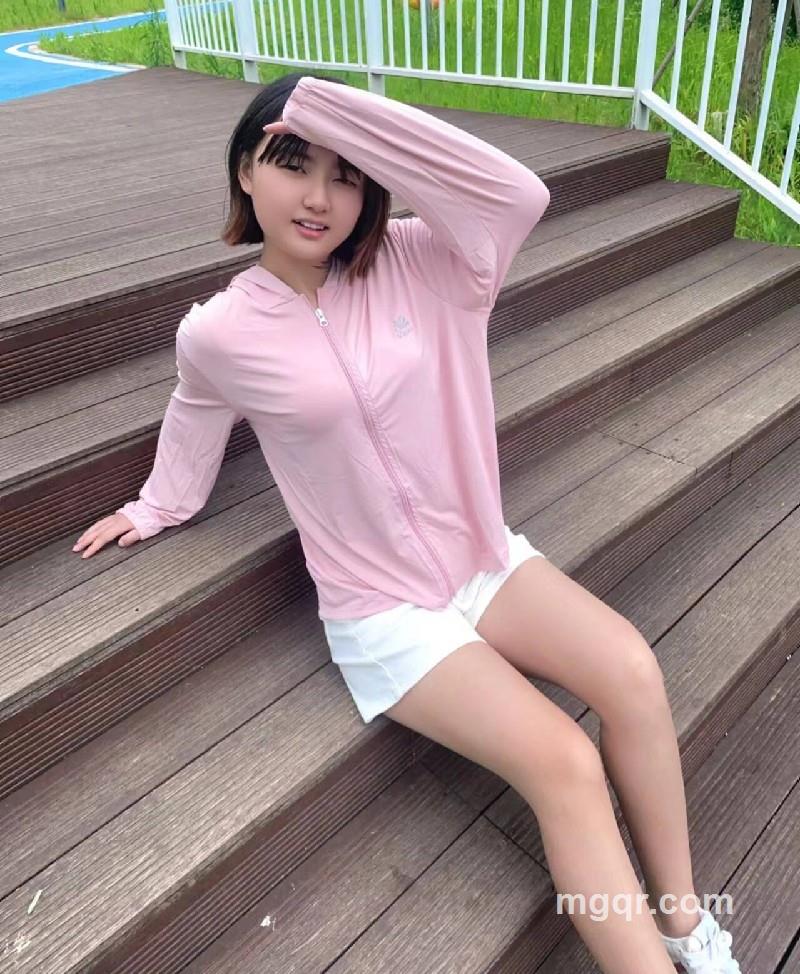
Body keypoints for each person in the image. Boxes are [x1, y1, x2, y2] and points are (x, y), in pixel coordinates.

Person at [72, 71, 741, 974]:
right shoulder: (219, 334)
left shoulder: (427, 261)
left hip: (480, 557)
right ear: (244, 172)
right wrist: (156, 506)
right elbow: (193, 416)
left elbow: (517, 193)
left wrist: (330, 109)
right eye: (292, 163)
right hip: (382, 608)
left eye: (346, 175)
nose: (319, 197)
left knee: (631, 668)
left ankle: (685, 924)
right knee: (565, 762)